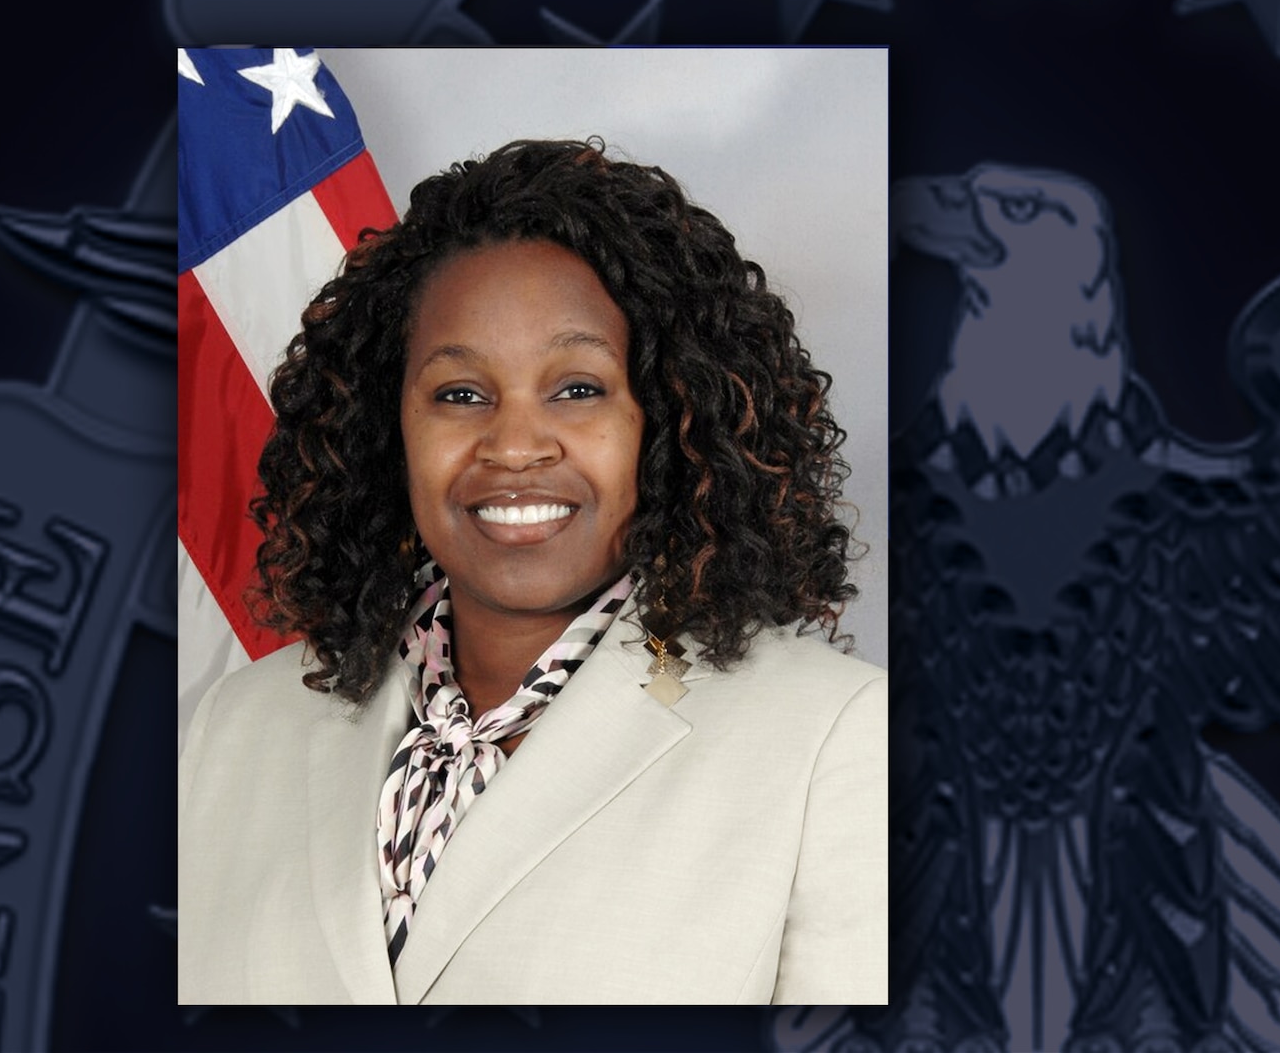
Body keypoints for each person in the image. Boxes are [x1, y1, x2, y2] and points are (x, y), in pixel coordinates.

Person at [178, 138, 887, 1005]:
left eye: (578, 389)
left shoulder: (836, 741)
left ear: (666, 420)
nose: (513, 446)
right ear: (385, 426)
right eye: (460, 394)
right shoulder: (236, 728)